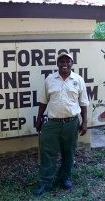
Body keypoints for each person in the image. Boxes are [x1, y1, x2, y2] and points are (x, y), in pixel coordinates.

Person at [34, 53, 89, 196]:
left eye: (67, 61)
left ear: (72, 63)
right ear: (57, 64)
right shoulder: (50, 79)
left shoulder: (78, 80)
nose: (64, 64)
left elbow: (83, 103)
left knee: (69, 152)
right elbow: (43, 101)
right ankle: (45, 182)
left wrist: (85, 123)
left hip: (71, 123)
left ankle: (64, 178)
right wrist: (39, 119)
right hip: (52, 123)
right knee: (47, 153)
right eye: (61, 61)